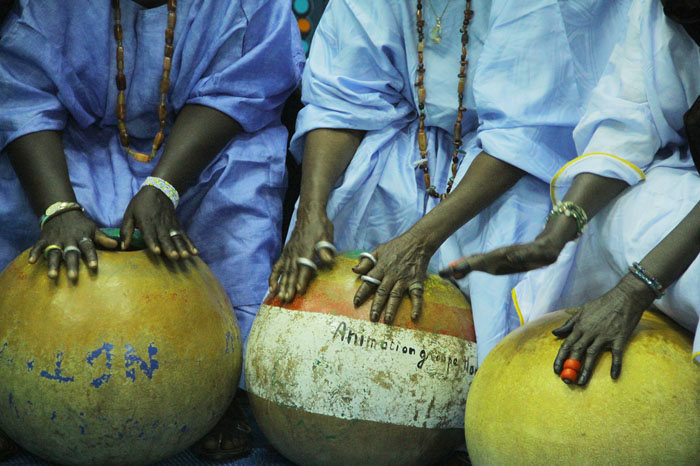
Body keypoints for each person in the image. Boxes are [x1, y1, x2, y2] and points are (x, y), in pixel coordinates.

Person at [0, 0, 303, 460]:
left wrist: (163, 187)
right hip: (75, 140)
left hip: (201, 145)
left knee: (244, 179)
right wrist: (57, 207)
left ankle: (221, 392)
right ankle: (12, 397)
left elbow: (243, 84)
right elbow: (22, 94)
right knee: (16, 193)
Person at [270, 0, 631, 373]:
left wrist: (419, 242)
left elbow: (524, 133)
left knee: (506, 263)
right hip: (413, 137)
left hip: (515, 167)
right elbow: (341, 97)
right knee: (344, 212)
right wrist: (312, 211)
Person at [441, 0, 700, 386]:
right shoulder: (656, 9)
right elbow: (629, 121)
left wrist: (633, 290)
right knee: (605, 217)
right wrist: (555, 234)